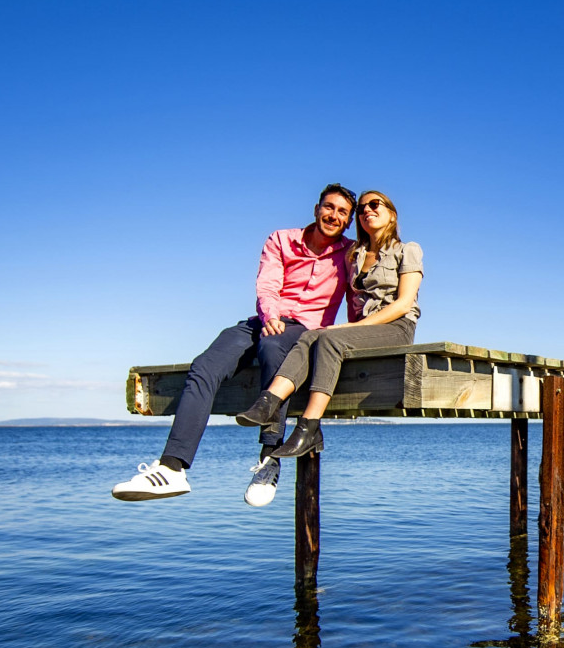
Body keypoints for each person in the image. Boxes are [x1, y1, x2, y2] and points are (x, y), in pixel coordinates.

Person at [110, 183, 356, 502]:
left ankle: (270, 459)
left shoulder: (351, 253)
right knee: (205, 366)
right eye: (329, 207)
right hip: (266, 320)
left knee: (273, 349)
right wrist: (270, 317)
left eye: (342, 212)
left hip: (306, 330)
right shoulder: (281, 239)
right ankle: (172, 469)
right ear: (316, 208)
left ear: (348, 221)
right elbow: (267, 286)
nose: (333, 215)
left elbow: (359, 296)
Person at [232, 189, 423, 506]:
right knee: (312, 335)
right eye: (361, 208)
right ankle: (269, 403)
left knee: (328, 336)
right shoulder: (356, 255)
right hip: (362, 331)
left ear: (391, 213)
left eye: (375, 205)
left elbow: (404, 304)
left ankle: (308, 426)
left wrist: (349, 330)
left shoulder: (407, 250)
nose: (366, 211)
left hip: (396, 328)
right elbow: (351, 304)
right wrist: (346, 331)